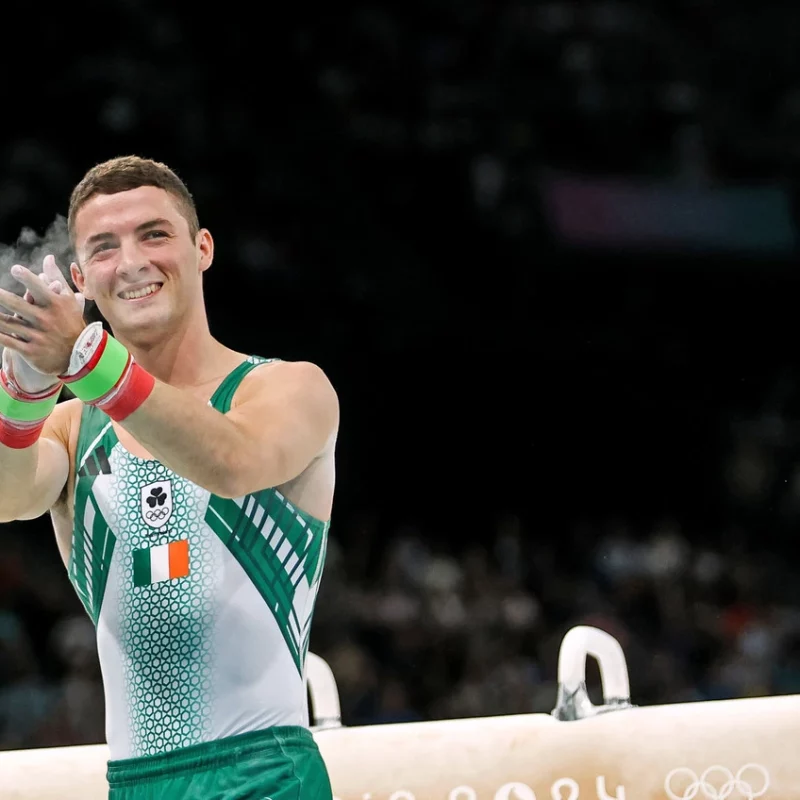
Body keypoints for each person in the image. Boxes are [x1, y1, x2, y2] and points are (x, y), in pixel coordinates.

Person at [0, 156, 339, 799]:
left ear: (202, 247)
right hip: (133, 786)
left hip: (264, 775)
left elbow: (232, 463)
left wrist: (86, 358)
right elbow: (8, 494)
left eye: (154, 234)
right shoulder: (74, 428)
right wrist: (21, 393)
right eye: (104, 247)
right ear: (79, 278)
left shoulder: (287, 387)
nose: (131, 262)